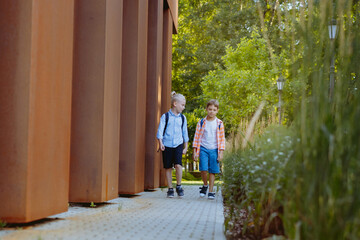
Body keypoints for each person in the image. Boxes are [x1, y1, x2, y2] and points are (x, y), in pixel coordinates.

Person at [157, 92, 189, 198]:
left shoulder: (183, 118)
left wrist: (186, 146)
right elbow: (160, 131)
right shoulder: (165, 116)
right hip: (166, 145)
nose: (183, 107)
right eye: (182, 105)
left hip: (178, 144)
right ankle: (170, 188)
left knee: (178, 165)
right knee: (168, 167)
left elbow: (185, 133)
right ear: (175, 103)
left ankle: (179, 186)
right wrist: (160, 143)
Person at [193, 99, 225, 200]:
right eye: (210, 109)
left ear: (217, 111)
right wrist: (195, 152)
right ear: (206, 109)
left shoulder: (219, 123)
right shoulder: (201, 122)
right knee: (203, 169)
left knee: (212, 171)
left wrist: (221, 152)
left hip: (215, 149)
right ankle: (205, 185)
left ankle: (211, 191)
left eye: (214, 110)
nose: (212, 111)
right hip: (203, 148)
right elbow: (196, 137)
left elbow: (222, 139)